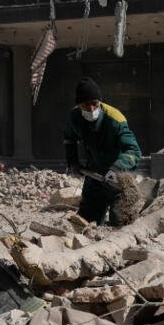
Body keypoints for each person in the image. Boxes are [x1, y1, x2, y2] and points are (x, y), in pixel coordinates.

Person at [63, 77, 142, 225]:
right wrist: (72, 161)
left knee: (121, 224)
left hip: (118, 180)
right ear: (79, 105)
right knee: (84, 223)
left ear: (99, 101)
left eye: (94, 104)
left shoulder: (115, 119)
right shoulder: (74, 117)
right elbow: (69, 138)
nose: (91, 109)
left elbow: (133, 150)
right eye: (86, 105)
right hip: (94, 176)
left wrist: (117, 168)